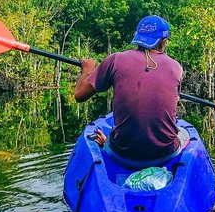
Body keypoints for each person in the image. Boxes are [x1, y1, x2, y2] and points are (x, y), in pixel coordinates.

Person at [74, 15, 187, 167]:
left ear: (137, 37)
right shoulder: (176, 67)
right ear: (164, 42)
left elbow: (79, 95)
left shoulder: (115, 60)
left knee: (114, 139)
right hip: (165, 154)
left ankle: (107, 144)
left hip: (122, 154)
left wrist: (88, 69)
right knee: (184, 134)